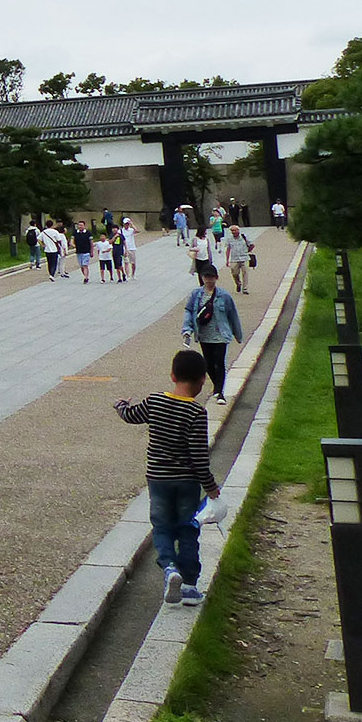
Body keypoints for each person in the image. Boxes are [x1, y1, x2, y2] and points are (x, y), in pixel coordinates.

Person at [114, 348, 223, 607]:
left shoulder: (155, 401)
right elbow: (199, 457)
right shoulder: (196, 413)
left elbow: (131, 416)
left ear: (173, 375)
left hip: (158, 480)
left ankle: (169, 568)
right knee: (187, 529)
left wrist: (121, 405)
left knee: (162, 527)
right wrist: (211, 487)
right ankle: (189, 585)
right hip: (186, 482)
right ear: (202, 381)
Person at [184, 261, 246, 403]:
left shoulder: (224, 295)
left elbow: (232, 315)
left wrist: (238, 334)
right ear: (202, 277)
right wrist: (187, 330)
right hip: (204, 334)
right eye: (206, 276)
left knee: (219, 361)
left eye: (211, 277)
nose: (209, 280)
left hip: (220, 335)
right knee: (208, 363)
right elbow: (189, 311)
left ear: (216, 278)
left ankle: (219, 392)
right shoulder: (196, 294)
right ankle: (217, 386)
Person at [225, 226, 251, 294]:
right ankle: (238, 283)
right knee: (234, 273)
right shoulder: (229, 239)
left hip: (244, 258)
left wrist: (247, 251)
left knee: (245, 273)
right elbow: (228, 249)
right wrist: (227, 260)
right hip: (234, 259)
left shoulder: (244, 237)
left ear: (238, 230)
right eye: (232, 231)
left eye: (234, 230)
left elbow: (252, 244)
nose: (233, 232)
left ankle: (245, 288)